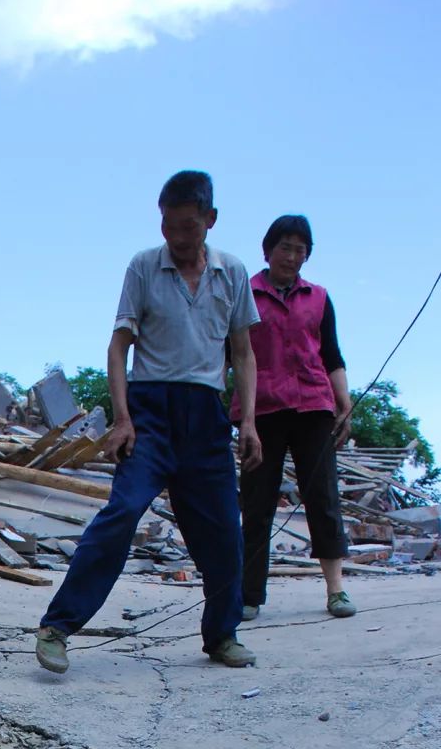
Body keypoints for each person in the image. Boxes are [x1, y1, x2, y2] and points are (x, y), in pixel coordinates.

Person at [35, 170, 263, 675]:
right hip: (150, 412)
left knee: (225, 530)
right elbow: (119, 348)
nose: (178, 238)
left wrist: (248, 422)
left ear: (210, 220)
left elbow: (243, 355)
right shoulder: (143, 266)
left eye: (188, 227)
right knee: (123, 512)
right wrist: (122, 418)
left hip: (206, 417)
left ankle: (222, 635)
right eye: (168, 227)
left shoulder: (234, 272)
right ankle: (57, 627)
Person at [235, 215, 355, 620]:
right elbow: (230, 355)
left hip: (313, 408)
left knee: (322, 497)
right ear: (267, 250)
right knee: (257, 502)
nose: (292, 256)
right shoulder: (244, 293)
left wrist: (344, 402)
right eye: (285, 247)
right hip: (261, 411)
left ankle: (336, 589)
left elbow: (332, 355)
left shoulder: (319, 297)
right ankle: (249, 594)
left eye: (300, 250)